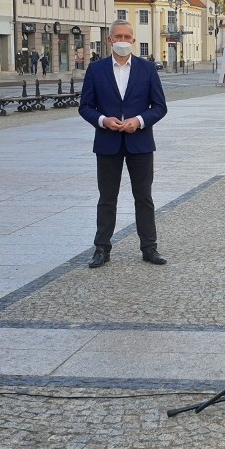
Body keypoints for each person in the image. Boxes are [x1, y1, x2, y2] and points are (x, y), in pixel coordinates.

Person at [78, 19, 168, 269]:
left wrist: (139, 121)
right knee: (107, 197)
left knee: (144, 197)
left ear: (133, 41)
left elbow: (160, 107)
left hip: (140, 142)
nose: (123, 41)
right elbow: (85, 107)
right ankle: (101, 248)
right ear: (109, 40)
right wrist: (103, 120)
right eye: (118, 37)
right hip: (108, 142)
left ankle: (149, 247)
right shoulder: (96, 70)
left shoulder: (147, 69)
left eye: (128, 37)